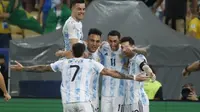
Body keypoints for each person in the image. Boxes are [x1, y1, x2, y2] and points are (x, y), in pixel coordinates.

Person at [10, 43, 149, 112]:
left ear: (72, 52)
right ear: (83, 52)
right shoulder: (90, 63)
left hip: (67, 103)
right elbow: (111, 73)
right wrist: (133, 77)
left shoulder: (63, 63)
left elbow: (42, 68)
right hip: (83, 101)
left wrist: (24, 68)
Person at [120, 36, 156, 112]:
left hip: (138, 100)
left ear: (133, 47)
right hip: (128, 101)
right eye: (122, 47)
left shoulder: (138, 57)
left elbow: (144, 66)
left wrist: (150, 72)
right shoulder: (128, 61)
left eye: (126, 47)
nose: (124, 50)